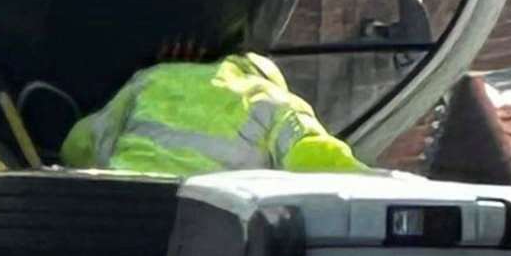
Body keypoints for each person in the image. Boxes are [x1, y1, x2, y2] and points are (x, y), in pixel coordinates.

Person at [61, 46, 367, 178]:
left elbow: (79, 145)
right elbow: (316, 155)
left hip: (129, 219)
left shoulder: (152, 79)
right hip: (213, 232)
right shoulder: (274, 102)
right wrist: (382, 183)